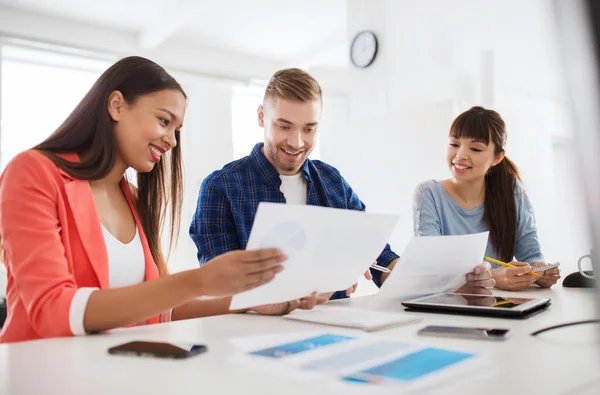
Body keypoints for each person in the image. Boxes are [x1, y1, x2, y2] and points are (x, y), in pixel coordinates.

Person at [0, 56, 285, 343]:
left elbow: (161, 310)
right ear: (117, 105)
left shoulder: (134, 200)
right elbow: (53, 310)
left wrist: (248, 302)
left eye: (177, 129)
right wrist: (198, 281)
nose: (172, 141)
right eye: (164, 121)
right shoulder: (32, 172)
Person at [190, 68, 494, 315]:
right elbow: (218, 286)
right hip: (250, 339)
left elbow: (381, 260)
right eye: (284, 126)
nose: (297, 142)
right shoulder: (221, 188)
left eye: (309, 129)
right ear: (261, 117)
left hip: (332, 330)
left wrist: (447, 280)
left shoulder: (332, 181)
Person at [412, 106, 560, 291]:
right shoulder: (428, 193)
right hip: (451, 306)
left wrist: (539, 271)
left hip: (504, 305)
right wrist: (494, 278)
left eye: (475, 148)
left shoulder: (511, 190)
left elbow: (530, 254)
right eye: (454, 144)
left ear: (497, 158)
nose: (460, 155)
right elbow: (431, 270)